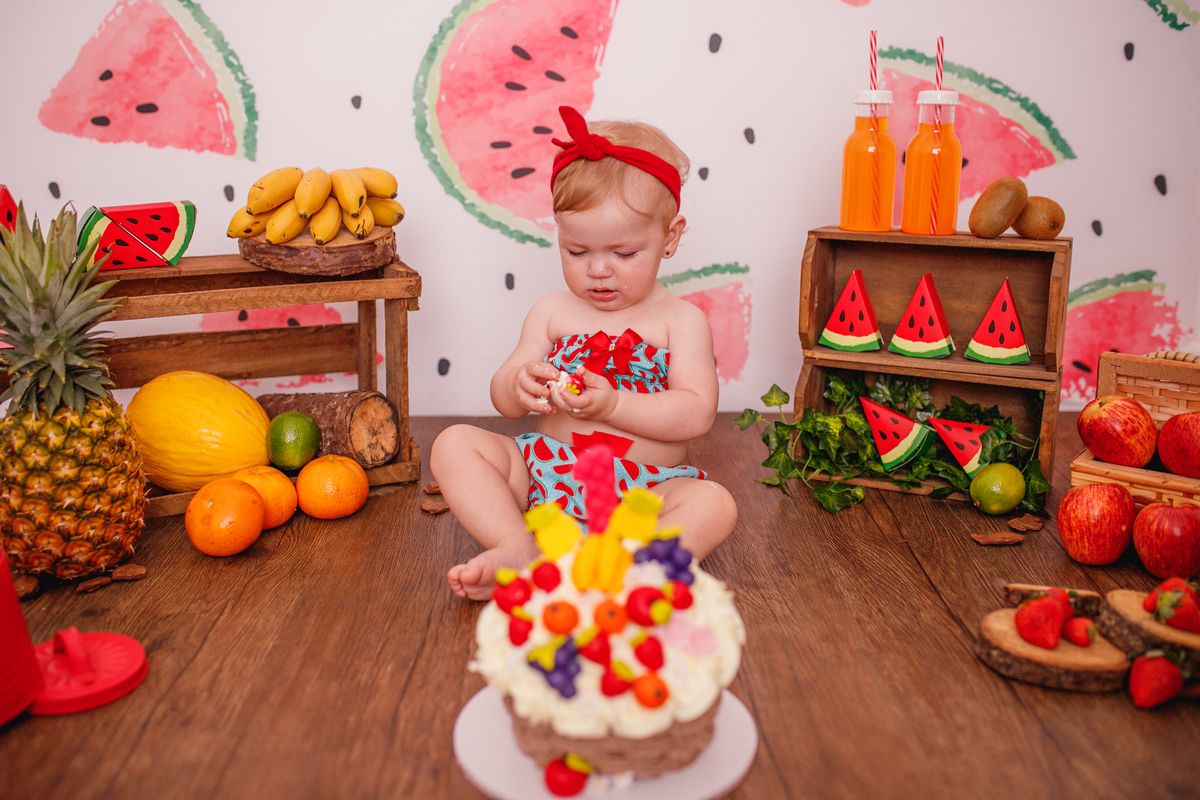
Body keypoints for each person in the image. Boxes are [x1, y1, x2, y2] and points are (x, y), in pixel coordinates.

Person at [431, 106, 737, 600]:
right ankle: (517, 546)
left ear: (670, 238)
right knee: (454, 444)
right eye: (577, 252)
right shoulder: (553, 312)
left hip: (642, 499)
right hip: (544, 483)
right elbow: (505, 400)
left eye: (623, 254)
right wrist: (518, 383)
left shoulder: (680, 322)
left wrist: (615, 404)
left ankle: (629, 568)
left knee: (714, 504)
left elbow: (696, 412)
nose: (599, 271)